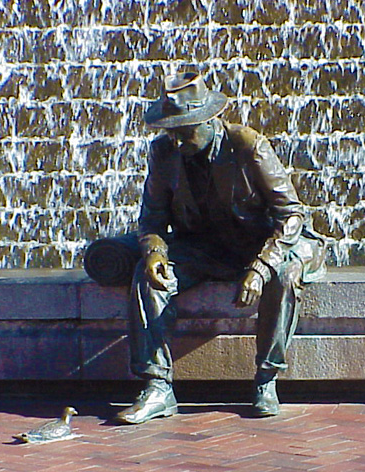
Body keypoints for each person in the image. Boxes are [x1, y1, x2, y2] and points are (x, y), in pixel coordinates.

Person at [114, 72, 327, 425]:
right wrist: (154, 254)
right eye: (171, 131)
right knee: (145, 276)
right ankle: (157, 387)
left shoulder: (247, 145)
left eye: (184, 131)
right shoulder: (164, 153)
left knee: (286, 275)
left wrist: (260, 267)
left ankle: (266, 378)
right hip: (206, 247)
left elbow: (291, 214)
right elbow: (151, 220)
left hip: (265, 244)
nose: (177, 140)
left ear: (209, 121)